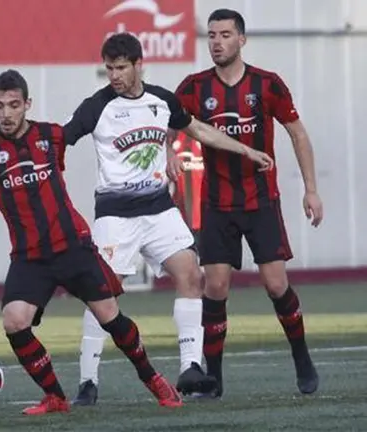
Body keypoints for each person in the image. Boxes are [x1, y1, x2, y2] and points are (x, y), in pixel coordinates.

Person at [0, 69, 184, 416]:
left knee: (109, 316)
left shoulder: (50, 136)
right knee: (14, 321)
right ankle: (55, 397)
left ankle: (154, 379)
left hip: (73, 245)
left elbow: (92, 110)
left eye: (14, 105)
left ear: (27, 104)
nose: (6, 113)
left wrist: (122, 83)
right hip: (31, 256)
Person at [62, 33, 274, 405]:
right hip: (116, 216)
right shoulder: (96, 107)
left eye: (122, 68)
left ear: (139, 64)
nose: (114, 75)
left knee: (192, 274)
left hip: (159, 209)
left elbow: (199, 130)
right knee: (102, 296)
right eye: (109, 68)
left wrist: (246, 150)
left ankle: (191, 368)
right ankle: (87, 382)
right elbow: (59, 140)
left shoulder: (161, 100)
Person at [174, 9, 322, 398]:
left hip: (260, 201)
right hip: (217, 203)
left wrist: (310, 189)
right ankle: (215, 379)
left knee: (275, 284)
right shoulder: (193, 87)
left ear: (242, 39)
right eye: (210, 35)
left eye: (224, 34)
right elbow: (168, 122)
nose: (216, 42)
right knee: (216, 286)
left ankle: (302, 358)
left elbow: (298, 135)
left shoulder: (267, 84)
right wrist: (166, 151)